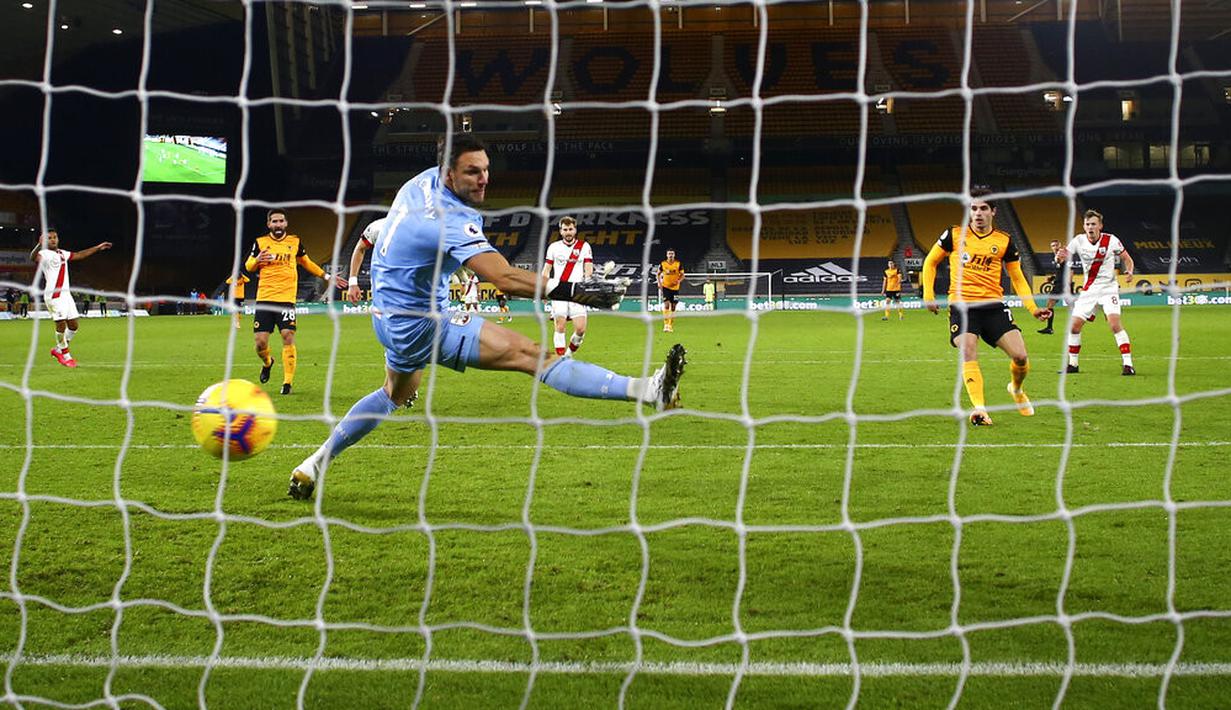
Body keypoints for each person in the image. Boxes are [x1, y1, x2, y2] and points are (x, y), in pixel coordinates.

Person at [287, 133, 687, 500]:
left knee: (394, 394)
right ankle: (649, 391)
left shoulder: (418, 183)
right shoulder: (449, 220)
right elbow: (504, 278)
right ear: (448, 174)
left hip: (385, 316)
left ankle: (314, 463)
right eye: (472, 172)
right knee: (534, 355)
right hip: (421, 323)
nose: (483, 180)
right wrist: (578, 292)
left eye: (486, 170)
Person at [921, 188, 1051, 426]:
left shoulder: (1004, 241)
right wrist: (928, 293)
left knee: (1020, 356)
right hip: (962, 306)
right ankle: (979, 409)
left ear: (993, 211)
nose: (977, 213)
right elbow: (930, 261)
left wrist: (1033, 308)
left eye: (982, 208)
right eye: (973, 208)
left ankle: (1016, 389)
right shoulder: (954, 234)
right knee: (968, 349)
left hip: (993, 306)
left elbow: (1018, 277)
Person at [244, 208, 347, 395]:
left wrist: (326, 275)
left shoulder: (295, 242)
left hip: (286, 298)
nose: (278, 224)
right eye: (274, 221)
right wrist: (257, 259)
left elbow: (306, 262)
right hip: (265, 298)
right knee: (260, 343)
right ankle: (268, 362)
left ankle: (287, 383)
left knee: (287, 336)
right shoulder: (260, 243)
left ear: (286, 223)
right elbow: (249, 266)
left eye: (281, 221)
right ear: (269, 224)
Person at [1057, 209, 1136, 375]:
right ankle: (1073, 364)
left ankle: (1128, 364)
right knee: (1074, 326)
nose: (1090, 227)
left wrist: (1129, 271)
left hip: (1109, 288)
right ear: (1084, 226)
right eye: (1087, 224)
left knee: (1114, 324)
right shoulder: (1078, 241)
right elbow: (1063, 256)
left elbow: (1127, 259)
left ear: (1100, 225)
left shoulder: (1111, 240)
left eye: (1093, 224)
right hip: (1089, 290)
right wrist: (1059, 257)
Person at [29, 229, 113, 368]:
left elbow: (80, 255)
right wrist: (39, 245)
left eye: (55, 237)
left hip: (66, 295)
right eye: (49, 238)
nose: (53, 240)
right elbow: (33, 257)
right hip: (54, 295)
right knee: (60, 324)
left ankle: (57, 349)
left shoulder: (62, 253)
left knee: (74, 326)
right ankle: (66, 355)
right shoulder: (44, 254)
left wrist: (97, 248)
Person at [541, 216, 593, 356]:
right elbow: (546, 269)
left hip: (577, 291)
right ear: (561, 231)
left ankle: (568, 355)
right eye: (565, 230)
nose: (568, 232)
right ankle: (561, 361)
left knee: (580, 329)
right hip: (558, 290)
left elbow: (588, 268)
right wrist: (542, 289)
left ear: (575, 230)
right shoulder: (553, 247)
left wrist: (588, 284)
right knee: (560, 325)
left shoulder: (584, 247)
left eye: (571, 229)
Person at [343, 217, 385, 304]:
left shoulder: (419, 228)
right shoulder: (378, 227)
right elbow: (360, 249)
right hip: (384, 288)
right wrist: (352, 283)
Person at [1036, 239, 1069, 335]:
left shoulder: (1060, 255)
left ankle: (1049, 328)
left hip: (1061, 284)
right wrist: (1053, 277)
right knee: (1071, 304)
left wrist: (1059, 258)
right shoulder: (1058, 256)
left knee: (1050, 303)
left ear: (1059, 245)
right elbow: (1062, 270)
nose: (1055, 247)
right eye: (1053, 246)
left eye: (1056, 245)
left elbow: (1061, 261)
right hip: (1060, 282)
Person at [658, 248, 683, 332]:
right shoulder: (663, 264)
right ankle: (665, 325)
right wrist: (659, 283)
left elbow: (683, 275)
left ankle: (670, 325)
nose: (670, 255)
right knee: (666, 305)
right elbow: (657, 274)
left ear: (674, 255)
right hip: (666, 287)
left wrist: (679, 280)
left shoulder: (678, 264)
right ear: (667, 255)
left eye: (672, 253)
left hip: (675, 288)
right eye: (669, 254)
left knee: (673, 307)